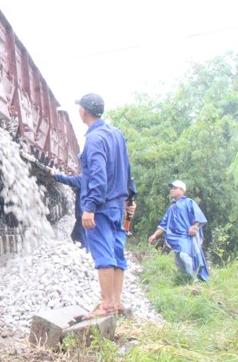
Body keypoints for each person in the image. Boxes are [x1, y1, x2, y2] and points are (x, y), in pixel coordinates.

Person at [74, 93, 134, 318]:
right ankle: (117, 302)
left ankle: (106, 305)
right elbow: (127, 171)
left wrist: (90, 206)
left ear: (83, 112)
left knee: (103, 254)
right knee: (117, 252)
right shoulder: (117, 135)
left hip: (101, 206)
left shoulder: (94, 138)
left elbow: (98, 175)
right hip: (118, 205)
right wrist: (131, 200)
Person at [148, 180, 209, 281]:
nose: (172, 190)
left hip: (187, 237)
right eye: (171, 188)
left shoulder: (189, 202)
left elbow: (198, 216)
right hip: (176, 239)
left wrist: (194, 226)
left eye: (174, 188)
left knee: (184, 256)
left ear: (182, 190)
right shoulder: (171, 208)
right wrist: (154, 235)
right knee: (178, 260)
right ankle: (184, 282)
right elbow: (163, 225)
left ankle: (193, 280)